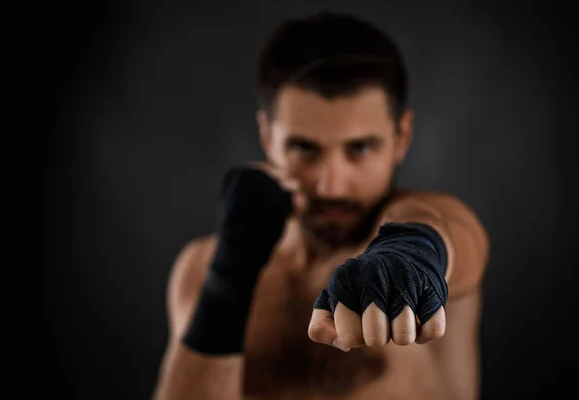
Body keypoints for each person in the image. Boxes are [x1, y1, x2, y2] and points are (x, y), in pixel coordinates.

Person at [153, 11, 489, 400]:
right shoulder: (201, 266)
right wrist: (232, 273)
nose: (330, 185)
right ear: (267, 135)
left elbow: (449, 230)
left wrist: (415, 249)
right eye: (304, 148)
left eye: (360, 148)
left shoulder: (428, 238)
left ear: (402, 136)